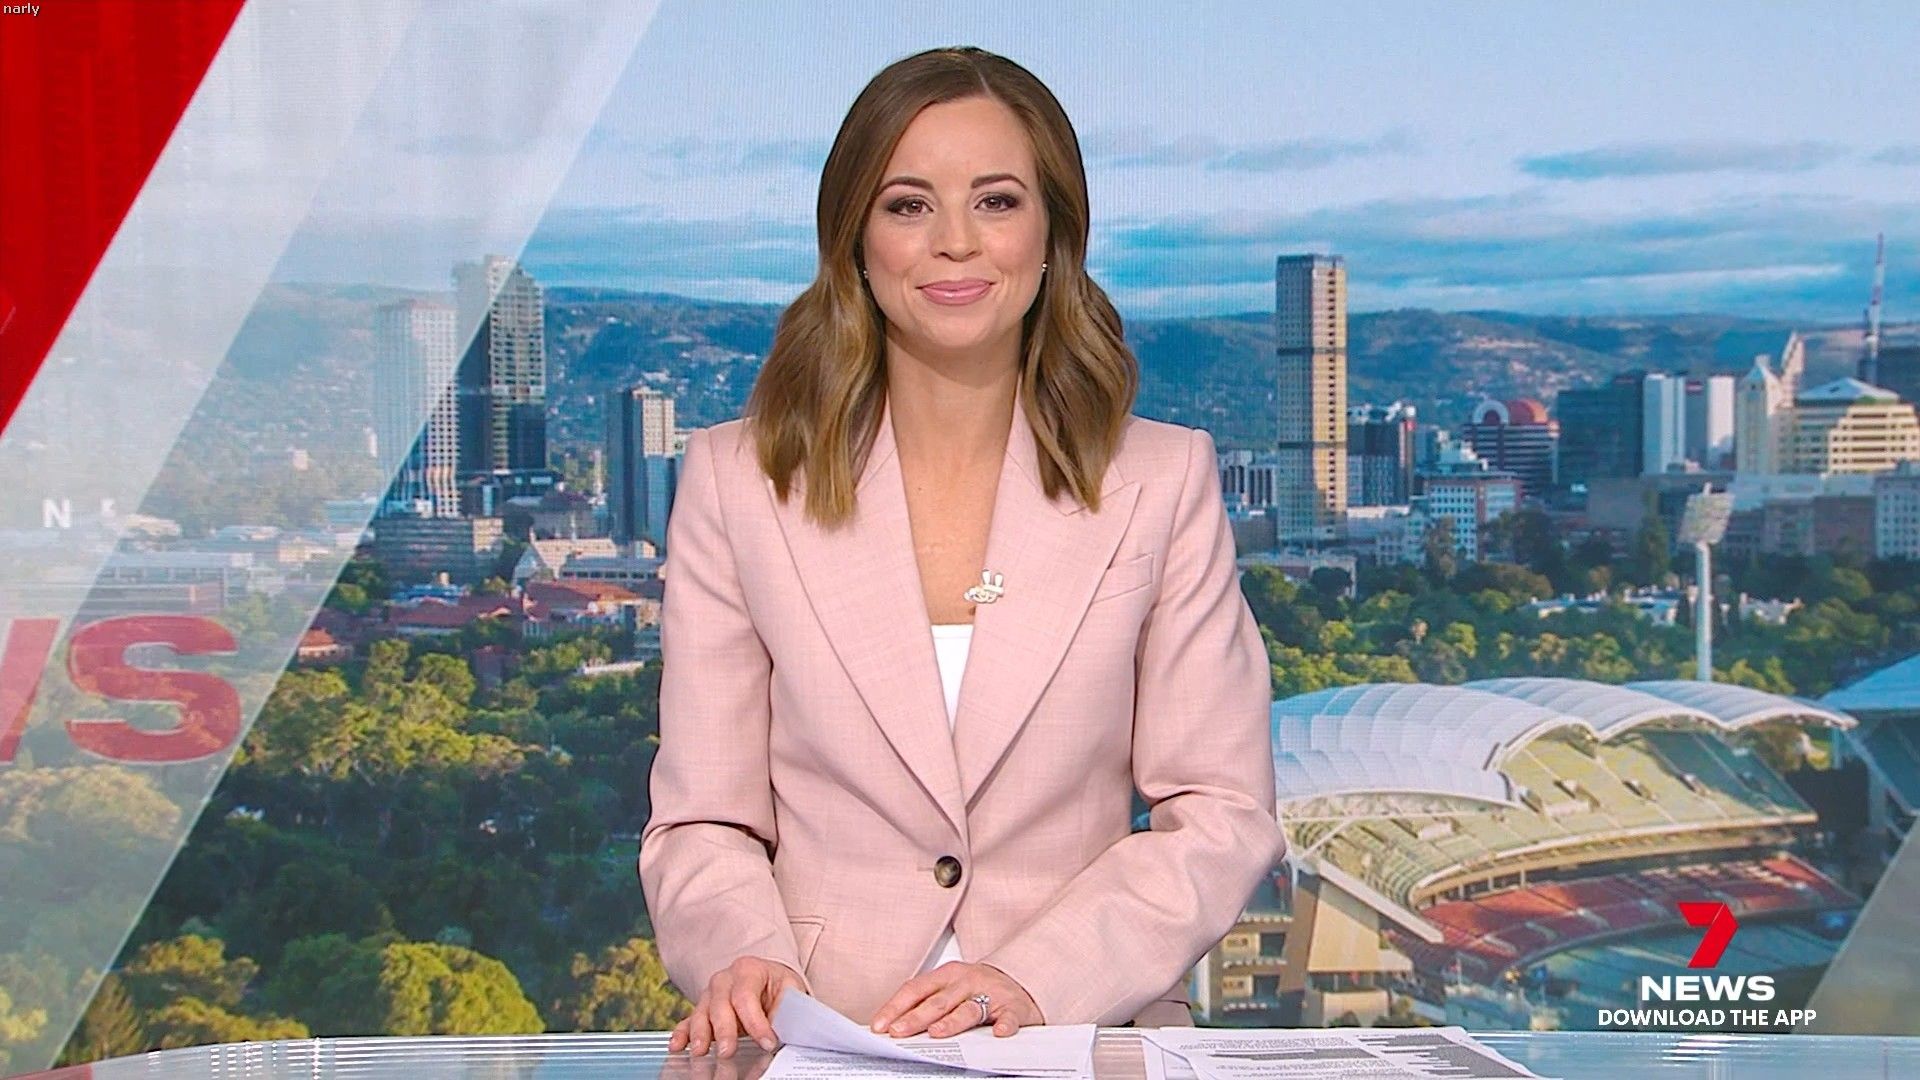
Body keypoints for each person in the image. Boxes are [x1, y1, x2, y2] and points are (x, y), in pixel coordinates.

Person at [639, 45, 1283, 1060]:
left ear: (1053, 233)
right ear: (855, 240)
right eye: (908, 205)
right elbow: (702, 821)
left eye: (996, 201)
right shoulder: (736, 482)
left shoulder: (1163, 479)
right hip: (823, 1040)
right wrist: (746, 954)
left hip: (1077, 1032)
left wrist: (1039, 979)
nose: (953, 242)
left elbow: (1221, 810)